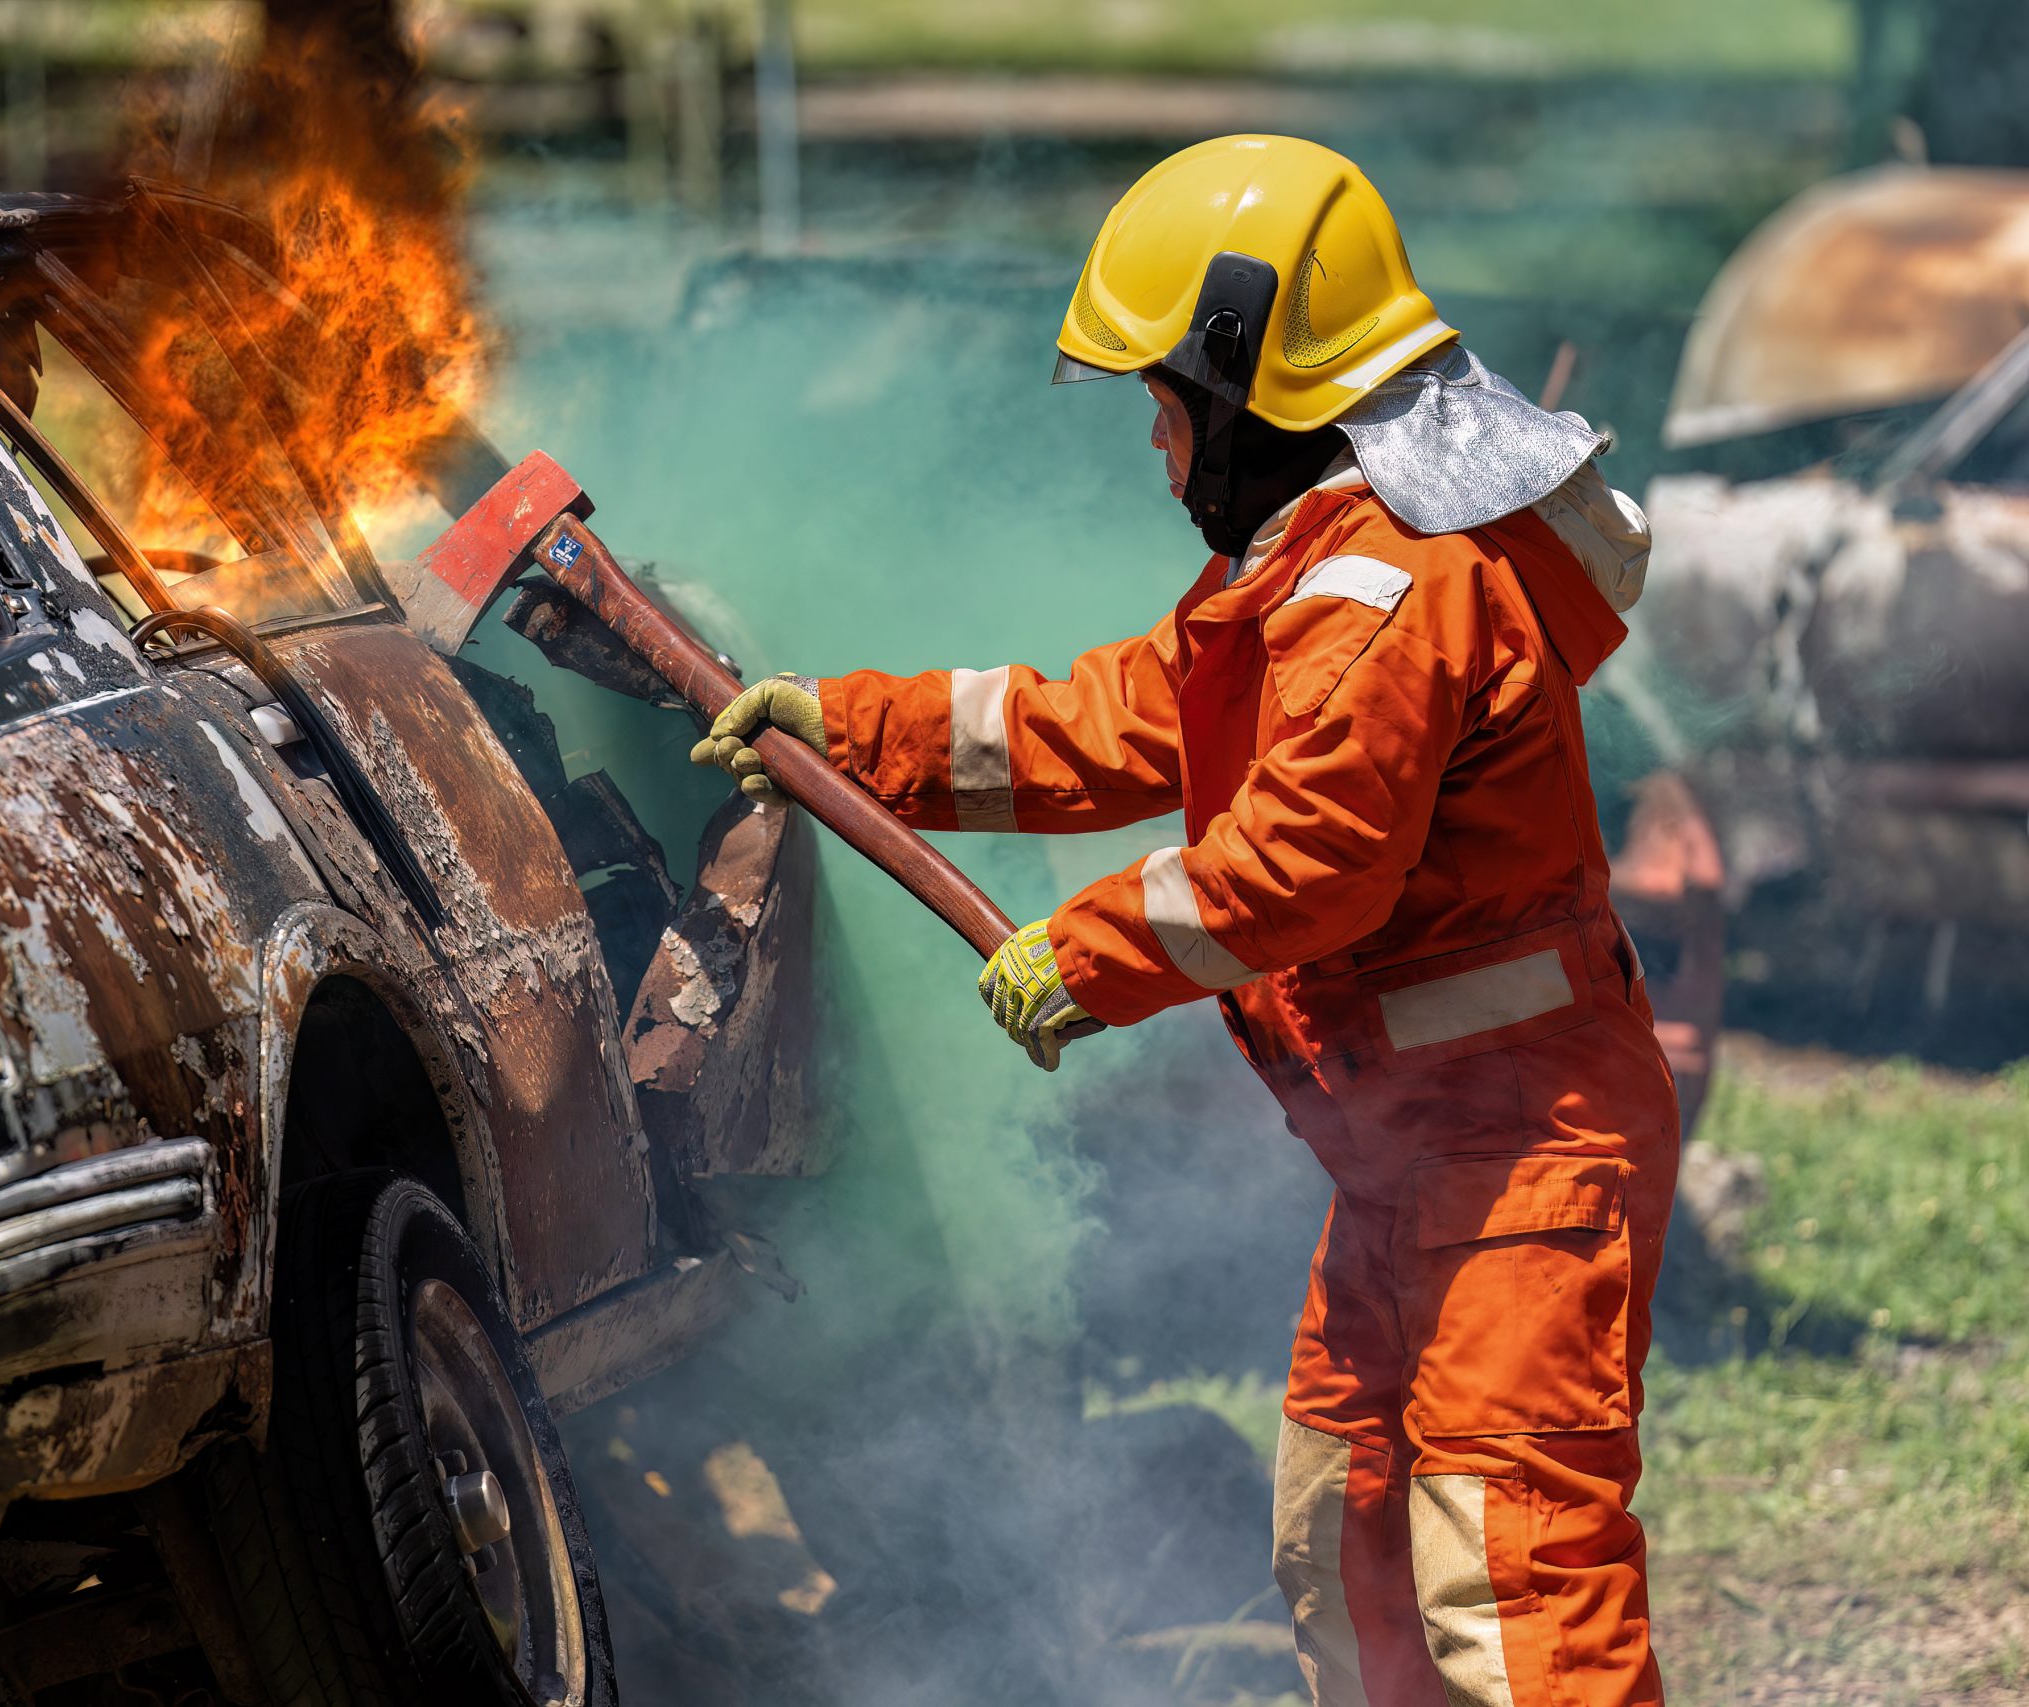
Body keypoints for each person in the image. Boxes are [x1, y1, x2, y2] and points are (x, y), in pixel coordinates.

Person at [691, 134, 1677, 1706]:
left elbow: (1309, 862)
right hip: (1418, 1152)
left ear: (1244, 382)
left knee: (1509, 1576)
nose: (1158, 448)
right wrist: (850, 729)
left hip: (1517, 1154)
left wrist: (1081, 958)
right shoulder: (1314, 572)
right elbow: (1115, 721)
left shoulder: (1391, 593)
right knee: (1344, 1537)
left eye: (1164, 404)